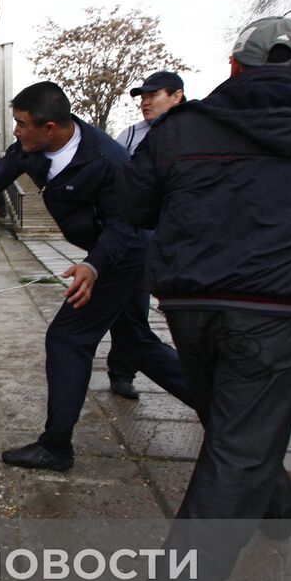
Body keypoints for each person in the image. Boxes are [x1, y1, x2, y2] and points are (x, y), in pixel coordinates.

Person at [118, 18, 291, 581]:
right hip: (278, 306)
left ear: (233, 66)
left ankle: (275, 503)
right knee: (242, 440)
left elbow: (134, 206)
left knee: (232, 428)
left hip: (191, 302)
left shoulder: (180, 130)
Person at [0, 81, 191, 472]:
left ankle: (56, 447)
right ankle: (228, 413)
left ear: (50, 128)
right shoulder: (33, 148)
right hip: (115, 253)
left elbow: (123, 225)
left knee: (67, 338)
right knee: (137, 342)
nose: (16, 132)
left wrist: (93, 266)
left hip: (126, 253)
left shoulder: (108, 161)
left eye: (21, 124)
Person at [107, 70, 186, 400]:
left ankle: (203, 375)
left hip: (184, 240)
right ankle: (123, 370)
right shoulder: (130, 136)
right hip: (141, 237)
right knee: (132, 310)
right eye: (142, 96)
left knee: (187, 314)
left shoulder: (194, 131)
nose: (145, 102)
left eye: (154, 95)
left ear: (177, 96)